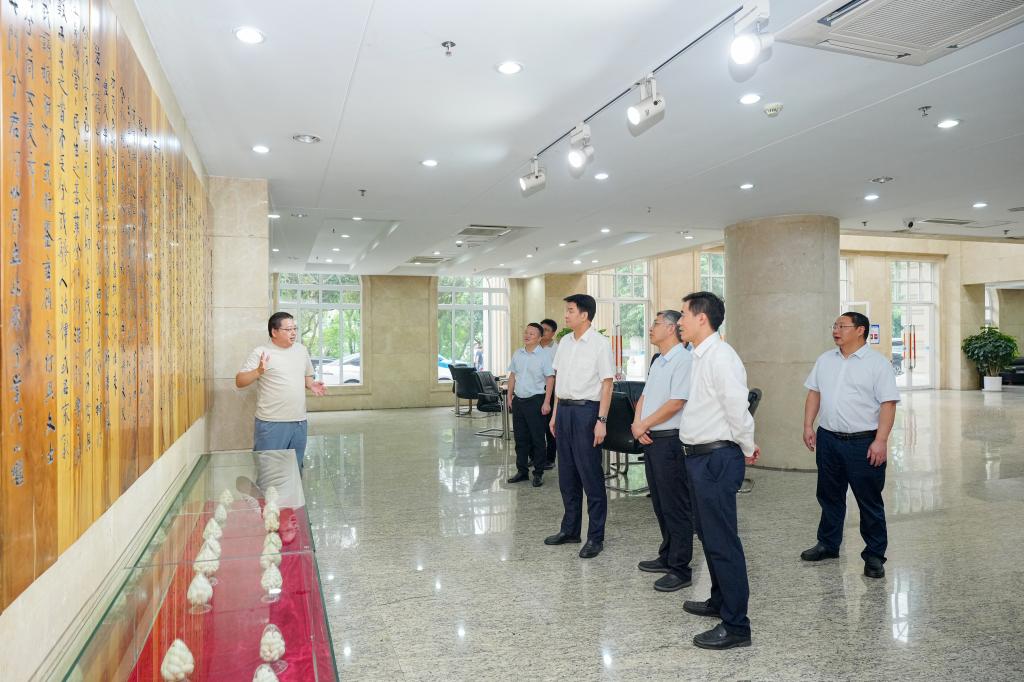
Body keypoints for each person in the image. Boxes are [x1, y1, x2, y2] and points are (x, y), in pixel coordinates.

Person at [676, 291, 759, 650]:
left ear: (701, 318)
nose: (679, 321)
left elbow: (737, 408)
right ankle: (719, 600)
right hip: (700, 458)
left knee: (723, 541)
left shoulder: (722, 357)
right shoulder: (700, 355)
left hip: (716, 458)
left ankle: (737, 626)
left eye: (683, 314)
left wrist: (747, 446)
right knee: (708, 536)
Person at [801, 311, 900, 579]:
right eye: (835, 325)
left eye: (842, 326)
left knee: (868, 501)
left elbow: (888, 404)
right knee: (829, 496)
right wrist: (808, 425)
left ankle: (874, 555)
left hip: (863, 442)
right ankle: (828, 544)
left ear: (860, 330)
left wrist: (881, 441)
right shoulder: (825, 360)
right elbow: (814, 393)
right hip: (828, 439)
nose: (836, 330)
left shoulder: (877, 364)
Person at [544, 295, 614, 559]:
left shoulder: (599, 344)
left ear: (585, 315)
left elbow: (607, 384)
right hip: (564, 411)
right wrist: (555, 415)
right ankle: (570, 530)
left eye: (570, 311)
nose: (566, 315)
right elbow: (560, 379)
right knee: (567, 475)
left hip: (587, 412)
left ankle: (596, 537)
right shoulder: (564, 342)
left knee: (590, 476)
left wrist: (601, 421)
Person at [631, 310, 694, 592]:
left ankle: (680, 568)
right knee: (659, 502)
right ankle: (667, 555)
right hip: (651, 437)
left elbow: (677, 402)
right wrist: (637, 424)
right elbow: (645, 395)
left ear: (671, 328)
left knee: (675, 505)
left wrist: (644, 424)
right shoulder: (658, 360)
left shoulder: (684, 360)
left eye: (656, 323)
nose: (650, 328)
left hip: (671, 441)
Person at [235, 312, 326, 469]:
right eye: (288, 329)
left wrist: (311, 384)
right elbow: (239, 381)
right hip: (272, 423)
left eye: (295, 329)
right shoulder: (261, 352)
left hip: (299, 422)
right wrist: (258, 371)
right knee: (269, 471)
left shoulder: (301, 350)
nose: (293, 333)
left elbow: (307, 376)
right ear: (274, 332)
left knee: (294, 468)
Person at [506, 323, 555, 487]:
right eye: (526, 332)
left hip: (536, 401)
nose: (527, 335)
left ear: (540, 338)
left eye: (532, 334)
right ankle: (522, 471)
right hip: (519, 401)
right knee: (520, 439)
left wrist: (547, 402)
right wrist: (509, 396)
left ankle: (538, 473)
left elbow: (550, 378)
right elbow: (512, 375)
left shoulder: (544, 356)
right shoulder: (517, 353)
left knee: (537, 439)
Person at [539, 318, 560, 470]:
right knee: (535, 426)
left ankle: (550, 458)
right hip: (535, 391)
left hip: (551, 391)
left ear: (553, 333)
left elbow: (558, 372)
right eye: (541, 329)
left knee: (549, 426)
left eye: (546, 330)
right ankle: (536, 457)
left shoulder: (557, 349)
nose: (542, 332)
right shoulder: (534, 347)